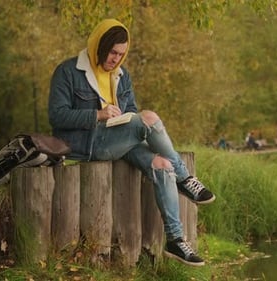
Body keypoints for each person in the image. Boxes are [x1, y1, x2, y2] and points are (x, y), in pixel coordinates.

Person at [47, 19, 215, 267]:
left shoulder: (122, 76)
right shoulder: (68, 71)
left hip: (119, 140)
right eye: (113, 52)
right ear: (99, 45)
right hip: (88, 144)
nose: (116, 59)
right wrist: (98, 115)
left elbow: (132, 112)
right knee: (149, 118)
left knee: (162, 164)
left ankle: (175, 240)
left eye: (121, 54)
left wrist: (125, 120)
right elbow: (57, 116)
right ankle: (185, 178)